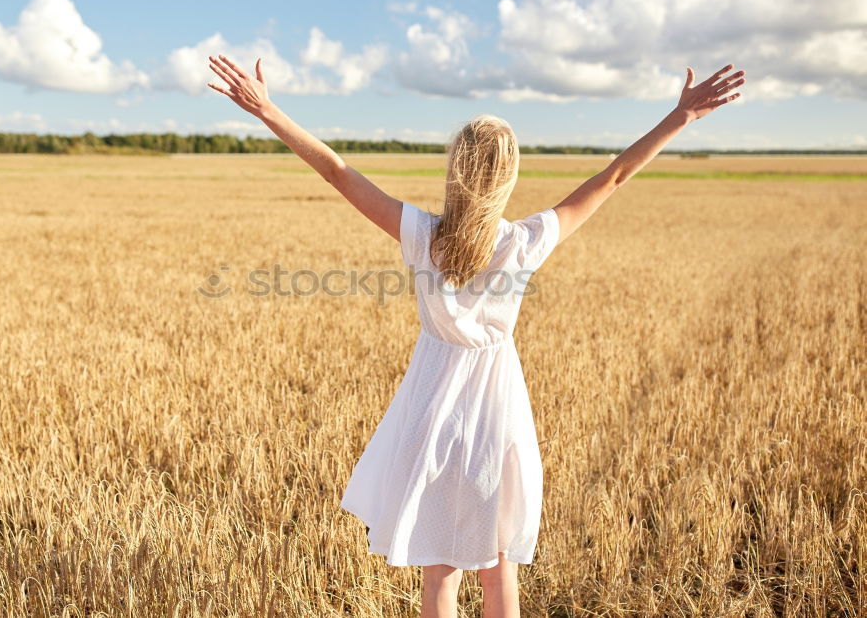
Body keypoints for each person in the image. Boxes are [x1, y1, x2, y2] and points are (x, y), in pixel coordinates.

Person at [207, 53, 744, 618]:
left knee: (440, 574)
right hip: (496, 416)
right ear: (508, 177)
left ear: (454, 169)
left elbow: (338, 172)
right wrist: (680, 116)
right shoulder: (525, 241)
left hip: (430, 410)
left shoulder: (421, 235)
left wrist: (267, 109)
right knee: (496, 572)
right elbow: (613, 177)